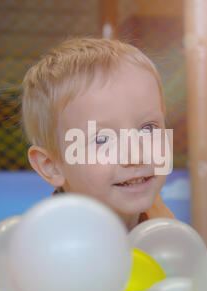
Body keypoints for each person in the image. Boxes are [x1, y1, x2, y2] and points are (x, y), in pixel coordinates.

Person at [21, 37, 175, 231]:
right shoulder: (50, 249)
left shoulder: (164, 229)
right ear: (51, 166)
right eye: (102, 139)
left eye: (148, 128)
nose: (136, 155)